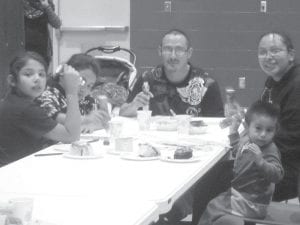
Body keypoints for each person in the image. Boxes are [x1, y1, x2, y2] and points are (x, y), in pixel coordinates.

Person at [197, 101, 284, 225]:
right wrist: (233, 131)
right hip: (242, 194)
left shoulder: (269, 149)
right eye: (258, 128)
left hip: (253, 202)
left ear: (275, 131)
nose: (263, 134)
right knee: (216, 197)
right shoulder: (247, 140)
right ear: (248, 127)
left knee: (213, 206)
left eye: (269, 130)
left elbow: (278, 175)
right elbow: (237, 149)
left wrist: (261, 162)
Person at [0, 51, 81, 166]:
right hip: (14, 173)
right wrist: (72, 92)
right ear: (12, 81)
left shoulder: (14, 101)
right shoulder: (24, 108)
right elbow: (71, 136)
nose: (37, 79)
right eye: (28, 74)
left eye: (41, 74)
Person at [127, 29, 224, 117]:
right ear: (160, 51)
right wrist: (133, 105)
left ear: (189, 53)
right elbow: (122, 112)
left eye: (179, 50)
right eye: (167, 49)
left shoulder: (207, 84)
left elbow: (217, 125)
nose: (173, 56)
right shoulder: (147, 79)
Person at [259, 31, 300, 202]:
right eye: (262, 52)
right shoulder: (274, 82)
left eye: (275, 50)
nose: (268, 56)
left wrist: (250, 149)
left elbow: (290, 140)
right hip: (275, 158)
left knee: (217, 181)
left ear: (291, 55)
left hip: (289, 169)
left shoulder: (296, 86)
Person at [35, 53, 110, 133]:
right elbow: (54, 118)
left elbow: (103, 121)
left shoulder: (85, 98)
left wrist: (93, 124)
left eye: (89, 86)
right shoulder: (48, 94)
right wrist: (87, 119)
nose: (84, 89)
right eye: (81, 81)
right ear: (65, 74)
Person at [23, 0, 61, 66]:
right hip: (24, 48)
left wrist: (46, 7)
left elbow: (57, 24)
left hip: (42, 49)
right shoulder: (20, 4)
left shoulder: (46, 4)